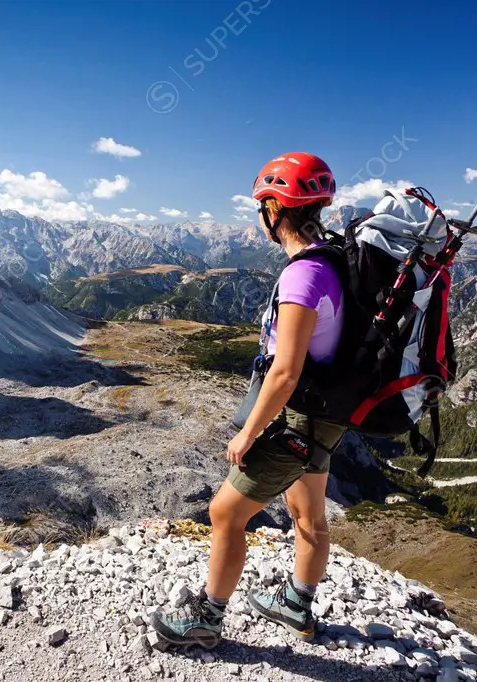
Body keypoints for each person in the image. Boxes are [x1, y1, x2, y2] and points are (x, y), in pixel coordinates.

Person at [152, 152, 348, 648]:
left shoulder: (304, 276)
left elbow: (284, 372)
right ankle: (295, 604)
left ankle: (206, 620)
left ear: (275, 209)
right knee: (309, 514)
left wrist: (250, 431)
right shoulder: (333, 259)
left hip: (300, 417)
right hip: (327, 413)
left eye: (263, 205)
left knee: (225, 513)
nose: (260, 216)